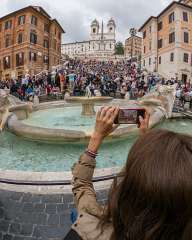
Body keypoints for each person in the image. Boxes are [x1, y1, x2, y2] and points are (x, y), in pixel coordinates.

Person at [64, 106, 192, 240]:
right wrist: (146, 141)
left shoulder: (95, 229)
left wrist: (97, 136)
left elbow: (82, 185)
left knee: (76, 214)